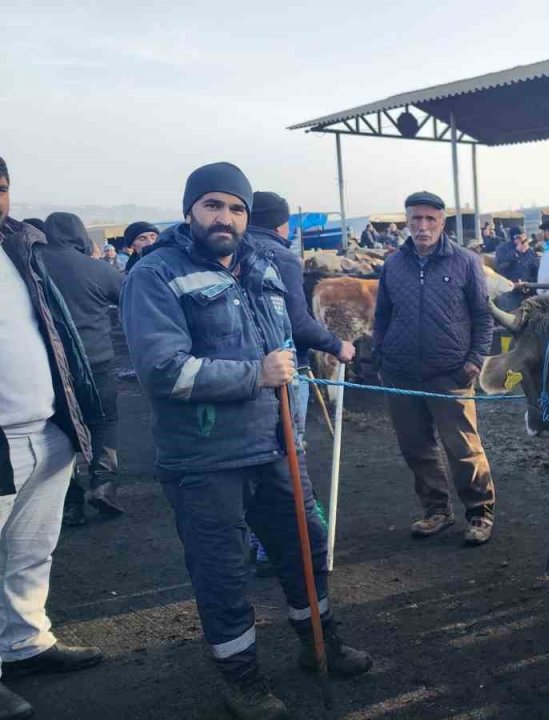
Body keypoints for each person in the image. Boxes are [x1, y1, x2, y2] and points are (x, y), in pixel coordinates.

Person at [121, 162, 371, 719]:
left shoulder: (262, 267)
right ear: (190, 210)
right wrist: (255, 374)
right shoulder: (155, 275)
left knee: (306, 547)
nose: (225, 217)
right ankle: (242, 680)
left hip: (275, 445)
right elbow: (162, 371)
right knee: (223, 572)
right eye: (213, 205)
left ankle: (320, 644)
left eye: (236, 208)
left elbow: (284, 339)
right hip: (204, 457)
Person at [0, 156, 104, 720]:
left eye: (1, 188)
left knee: (31, 549)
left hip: (47, 425)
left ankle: (24, 643)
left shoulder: (20, 250)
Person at [373, 191, 496, 545]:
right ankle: (436, 510)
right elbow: (382, 315)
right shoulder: (394, 264)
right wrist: (381, 355)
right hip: (401, 374)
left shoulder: (466, 262)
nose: (423, 226)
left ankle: (480, 512)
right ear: (407, 221)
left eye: (430, 219)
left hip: (450, 372)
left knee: (463, 448)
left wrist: (474, 361)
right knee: (416, 447)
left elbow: (482, 316)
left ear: (442, 222)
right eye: (416, 218)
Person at [244, 191, 356, 575]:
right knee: (286, 453)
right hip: (284, 369)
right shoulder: (280, 256)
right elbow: (297, 322)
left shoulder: (226, 252)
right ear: (283, 224)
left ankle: (256, 538)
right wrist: (338, 345)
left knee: (252, 455)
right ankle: (280, 547)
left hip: (242, 373)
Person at [38, 212, 126, 526]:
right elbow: (131, 298)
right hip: (96, 361)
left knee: (58, 430)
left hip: (49, 366)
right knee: (103, 422)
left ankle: (69, 503)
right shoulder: (97, 269)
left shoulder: (32, 267)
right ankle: (103, 485)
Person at [493, 227, 538, 311]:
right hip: (509, 293)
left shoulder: (529, 251)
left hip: (527, 293)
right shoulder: (503, 249)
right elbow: (500, 266)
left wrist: (531, 284)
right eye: (519, 237)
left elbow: (534, 270)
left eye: (524, 237)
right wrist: (516, 253)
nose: (522, 240)